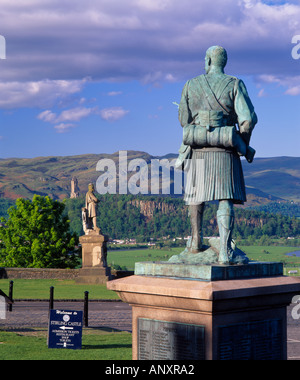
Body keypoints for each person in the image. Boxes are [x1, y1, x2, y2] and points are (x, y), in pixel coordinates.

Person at [178, 46, 257, 264]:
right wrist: (242, 143)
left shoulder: (190, 84)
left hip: (199, 147)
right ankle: (224, 252)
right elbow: (248, 119)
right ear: (224, 62)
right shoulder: (234, 84)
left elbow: (184, 119)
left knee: (196, 196)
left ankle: (195, 243)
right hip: (225, 147)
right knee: (226, 199)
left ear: (208, 61)